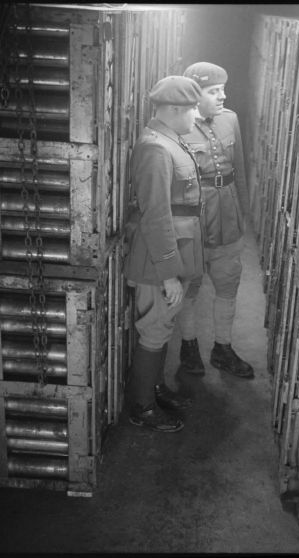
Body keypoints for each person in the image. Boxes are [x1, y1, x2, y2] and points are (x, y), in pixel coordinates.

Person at [123, 75, 204, 432]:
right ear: (173, 110)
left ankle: (154, 389)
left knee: (163, 325)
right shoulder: (155, 148)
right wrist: (169, 273)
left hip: (175, 249)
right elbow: (156, 214)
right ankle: (142, 407)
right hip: (159, 260)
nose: (197, 116)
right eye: (192, 110)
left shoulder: (170, 141)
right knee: (154, 330)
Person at [176, 62, 254, 379]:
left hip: (228, 212)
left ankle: (222, 348)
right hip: (194, 214)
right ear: (196, 94)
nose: (223, 96)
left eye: (223, 89)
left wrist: (244, 212)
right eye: (214, 91)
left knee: (227, 282)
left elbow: (239, 169)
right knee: (189, 285)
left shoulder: (230, 119)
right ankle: (188, 346)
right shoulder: (180, 126)